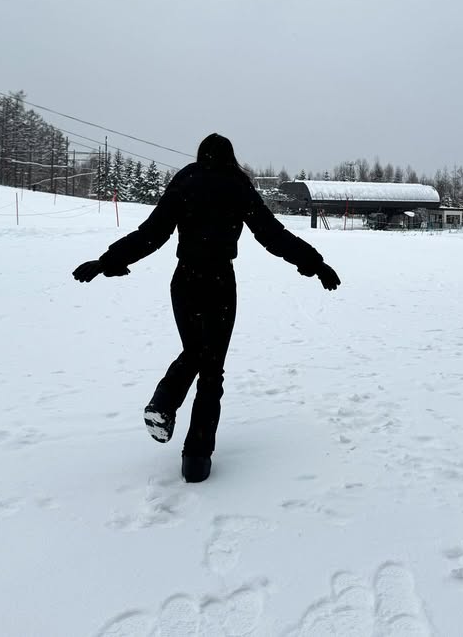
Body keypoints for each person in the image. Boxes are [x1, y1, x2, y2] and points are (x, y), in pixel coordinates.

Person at [73, 134, 340, 483]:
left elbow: (153, 232)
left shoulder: (187, 178)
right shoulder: (237, 185)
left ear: (202, 155)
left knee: (195, 352)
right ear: (230, 156)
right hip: (218, 283)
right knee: (210, 369)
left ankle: (165, 402)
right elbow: (271, 233)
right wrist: (314, 263)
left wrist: (108, 261)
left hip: (184, 281)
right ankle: (196, 458)